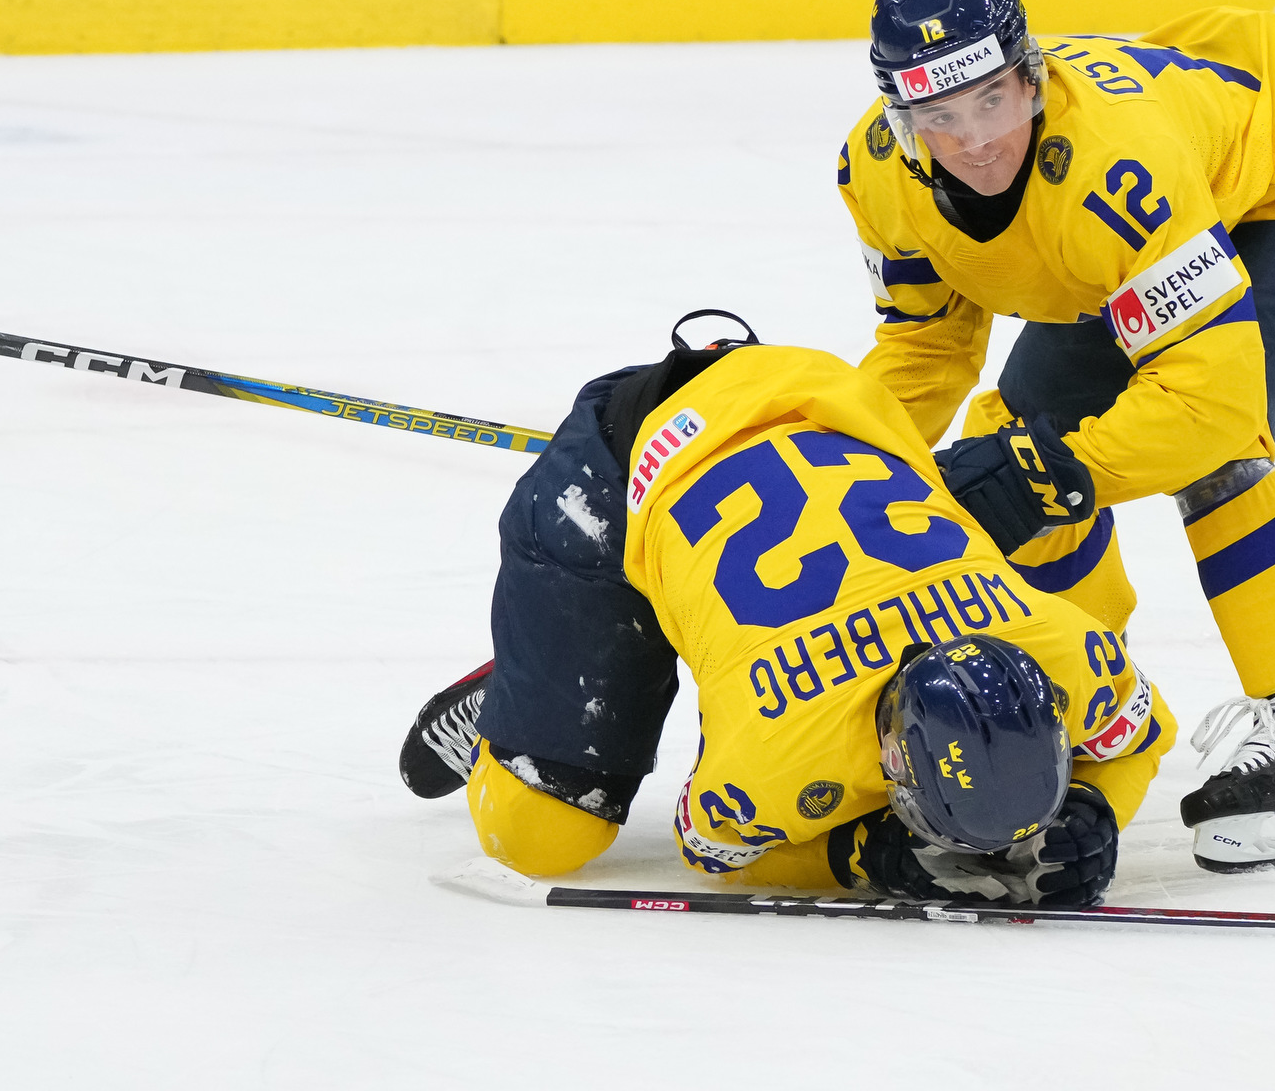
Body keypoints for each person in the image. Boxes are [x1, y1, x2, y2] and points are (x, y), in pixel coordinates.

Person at [836, 0, 1275, 872]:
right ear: (901, 119)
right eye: (938, 117)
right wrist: (848, 463)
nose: (974, 141)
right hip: (1140, 230)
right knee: (1011, 444)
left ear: (1032, 77)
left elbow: (1208, 406)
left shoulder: (1115, 166)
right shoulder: (879, 176)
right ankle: (1085, 697)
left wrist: (1058, 475)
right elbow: (925, 349)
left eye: (992, 101)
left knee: (1208, 455)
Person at [401, 316, 1177, 904]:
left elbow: (1142, 734)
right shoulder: (774, 745)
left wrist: (1088, 810)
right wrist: (864, 859)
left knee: (1035, 482)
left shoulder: (1063, 647)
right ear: (895, 764)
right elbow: (709, 854)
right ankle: (530, 681)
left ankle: (561, 668)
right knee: (541, 837)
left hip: (830, 403)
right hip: (621, 464)